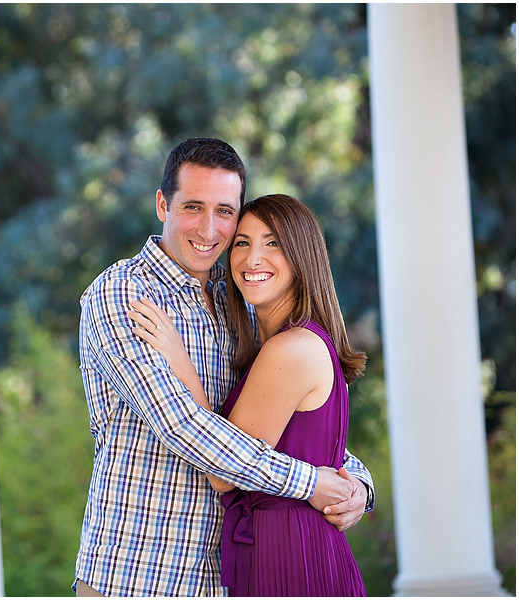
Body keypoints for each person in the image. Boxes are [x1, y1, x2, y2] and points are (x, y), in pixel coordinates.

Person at [73, 137, 373, 597]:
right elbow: (183, 426)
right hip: (141, 571)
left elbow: (277, 426)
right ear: (162, 204)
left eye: (225, 211)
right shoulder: (125, 295)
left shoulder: (244, 302)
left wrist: (357, 486)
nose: (209, 228)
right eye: (193, 206)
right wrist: (311, 482)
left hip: (232, 574)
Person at [129, 193, 367, 596]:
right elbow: (311, 451)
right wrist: (359, 484)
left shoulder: (290, 348)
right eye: (242, 242)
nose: (252, 258)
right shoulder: (298, 342)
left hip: (289, 555)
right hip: (292, 545)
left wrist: (178, 359)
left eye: (272, 243)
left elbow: (223, 473)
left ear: (302, 256)